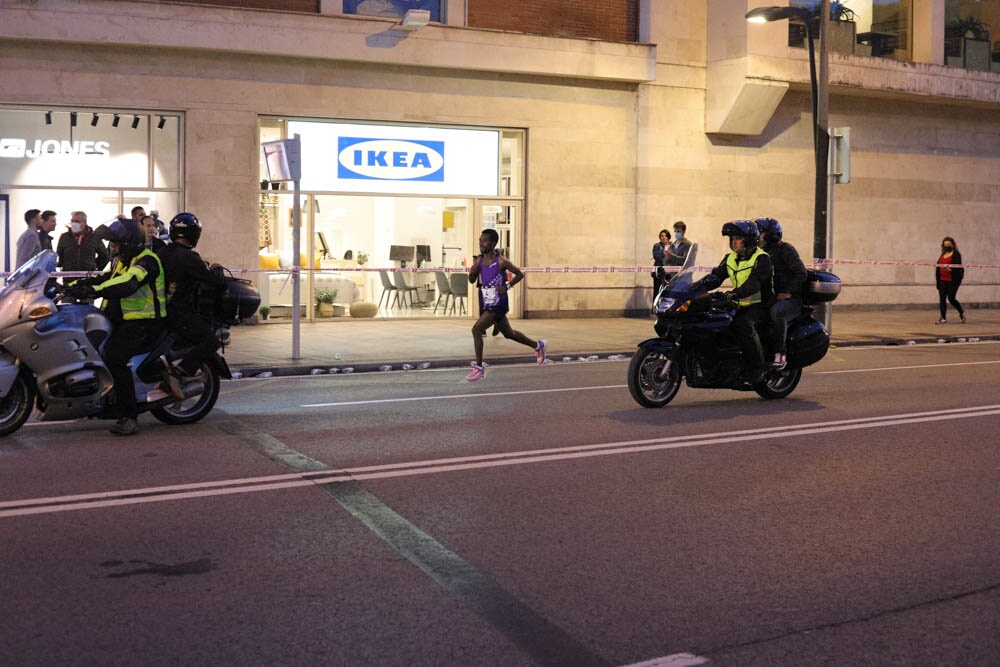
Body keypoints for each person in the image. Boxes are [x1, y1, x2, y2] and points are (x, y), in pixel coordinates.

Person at [65, 219, 168, 436]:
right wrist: (71, 286)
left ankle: (128, 416)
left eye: (117, 244)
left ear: (130, 243)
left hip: (144, 323)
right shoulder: (122, 261)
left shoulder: (147, 261)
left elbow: (128, 283)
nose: (114, 248)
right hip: (122, 320)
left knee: (114, 356)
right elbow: (105, 278)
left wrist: (94, 291)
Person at [465, 229, 547, 382]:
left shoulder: (501, 261)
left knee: (476, 329)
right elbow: (471, 280)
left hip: (498, 303)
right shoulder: (479, 261)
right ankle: (538, 345)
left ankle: (479, 368)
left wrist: (507, 286)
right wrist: (472, 272)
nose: (481, 244)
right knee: (508, 333)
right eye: (480, 241)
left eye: (484, 241)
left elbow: (520, 274)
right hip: (487, 302)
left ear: (493, 243)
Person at [156, 212, 227, 382]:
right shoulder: (189, 257)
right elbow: (214, 280)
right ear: (194, 234)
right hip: (179, 313)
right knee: (211, 341)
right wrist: (218, 270)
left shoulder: (162, 252)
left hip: (160, 309)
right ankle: (181, 371)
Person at [707, 220, 773, 384]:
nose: (733, 242)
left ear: (749, 240)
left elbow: (754, 283)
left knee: (743, 325)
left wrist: (734, 293)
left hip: (760, 305)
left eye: (737, 238)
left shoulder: (762, 259)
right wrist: (696, 287)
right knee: (712, 320)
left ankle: (758, 369)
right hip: (738, 303)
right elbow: (715, 277)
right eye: (732, 238)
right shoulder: (730, 258)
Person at [754, 217, 806, 370]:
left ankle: (780, 354)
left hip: (790, 299)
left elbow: (801, 273)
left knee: (778, 311)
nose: (758, 236)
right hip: (769, 297)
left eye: (761, 232)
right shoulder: (760, 253)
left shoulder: (785, 250)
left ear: (771, 234)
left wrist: (788, 291)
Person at [935, 236, 965, 324]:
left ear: (952, 245)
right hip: (942, 280)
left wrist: (950, 269)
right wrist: (937, 281)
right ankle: (943, 318)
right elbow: (938, 268)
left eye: (948, 244)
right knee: (942, 299)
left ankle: (961, 312)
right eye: (945, 245)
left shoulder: (956, 254)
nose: (947, 246)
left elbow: (958, 268)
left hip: (953, 280)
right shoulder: (942, 255)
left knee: (951, 298)